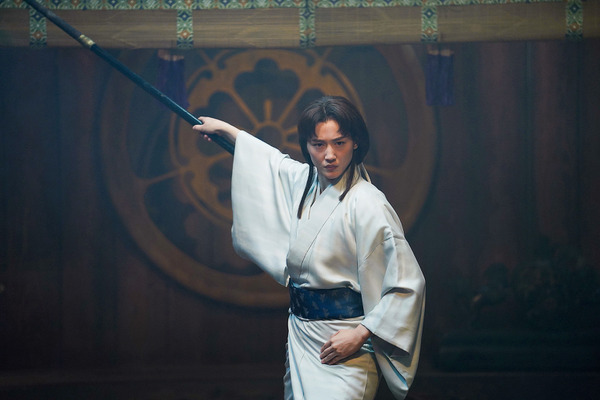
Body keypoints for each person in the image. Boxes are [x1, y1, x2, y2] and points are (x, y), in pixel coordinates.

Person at [193, 96, 425, 400]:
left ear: (355, 142)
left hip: (345, 341)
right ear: (307, 145)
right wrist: (226, 130)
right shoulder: (306, 181)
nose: (329, 155)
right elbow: (271, 163)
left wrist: (360, 335)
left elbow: (407, 284)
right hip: (302, 336)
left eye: (339, 143)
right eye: (318, 145)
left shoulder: (369, 204)